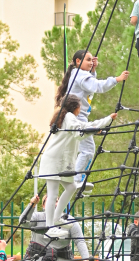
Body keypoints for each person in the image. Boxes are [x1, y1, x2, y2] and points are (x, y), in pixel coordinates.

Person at [39, 97, 116, 235]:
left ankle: (56, 218)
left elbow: (85, 126)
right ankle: (50, 227)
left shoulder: (68, 118)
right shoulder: (68, 116)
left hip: (61, 162)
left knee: (72, 186)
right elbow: (79, 133)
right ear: (75, 107)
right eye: (79, 106)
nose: (80, 109)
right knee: (52, 193)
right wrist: (93, 130)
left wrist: (107, 120)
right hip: (54, 160)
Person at [54, 49, 128, 186]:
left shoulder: (78, 74)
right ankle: (76, 180)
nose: (91, 62)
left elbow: (89, 85)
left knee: (78, 150)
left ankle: (75, 178)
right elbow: (97, 86)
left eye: (92, 60)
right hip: (79, 118)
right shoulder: (80, 75)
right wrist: (117, 79)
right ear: (78, 61)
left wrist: (93, 70)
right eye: (88, 60)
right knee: (87, 150)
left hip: (78, 117)